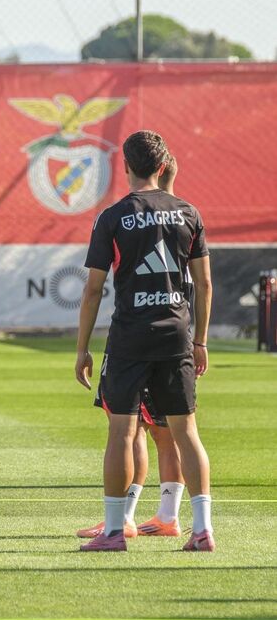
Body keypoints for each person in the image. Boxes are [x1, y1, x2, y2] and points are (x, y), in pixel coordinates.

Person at [75, 130, 214, 552]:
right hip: (177, 334)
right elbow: (205, 283)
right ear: (161, 167)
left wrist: (81, 347)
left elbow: (94, 290)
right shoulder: (188, 212)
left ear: (125, 167)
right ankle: (202, 530)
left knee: (121, 431)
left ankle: (115, 532)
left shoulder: (113, 217)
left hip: (131, 337)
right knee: (186, 431)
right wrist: (201, 340)